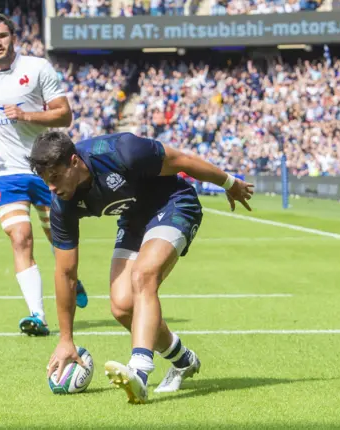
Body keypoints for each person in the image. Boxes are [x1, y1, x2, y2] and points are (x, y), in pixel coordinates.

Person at [32, 131, 254, 404]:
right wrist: (66, 338)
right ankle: (183, 360)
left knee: (143, 276)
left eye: (55, 178)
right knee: (122, 306)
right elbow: (66, 272)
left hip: (174, 204)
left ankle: (140, 371)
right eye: (45, 181)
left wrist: (229, 183)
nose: (51, 188)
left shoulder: (122, 151)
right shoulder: (61, 205)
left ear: (75, 162)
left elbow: (182, 159)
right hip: (134, 220)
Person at [0, 13, 88, 337]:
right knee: (20, 237)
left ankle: (72, 277)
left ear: (13, 37)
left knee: (57, 241)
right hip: (4, 172)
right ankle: (37, 316)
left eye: (2, 36)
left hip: (46, 169)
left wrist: (26, 114)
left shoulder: (37, 68)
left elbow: (65, 114)